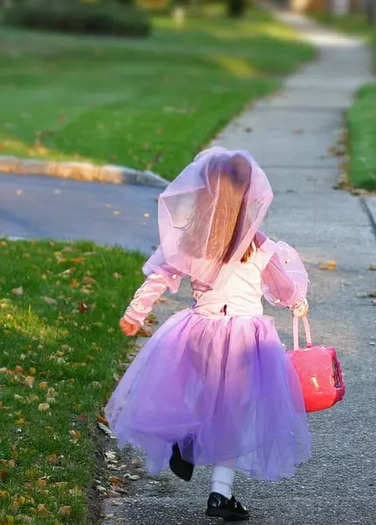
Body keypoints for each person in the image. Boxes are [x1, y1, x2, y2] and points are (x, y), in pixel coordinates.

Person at [106, 147, 312, 522]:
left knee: (201, 396)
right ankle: (220, 492)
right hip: (246, 341)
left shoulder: (193, 238)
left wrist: (135, 313)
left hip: (200, 332)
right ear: (249, 195)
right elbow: (283, 287)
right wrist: (297, 300)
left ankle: (185, 441)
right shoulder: (257, 243)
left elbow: (160, 277)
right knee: (235, 412)